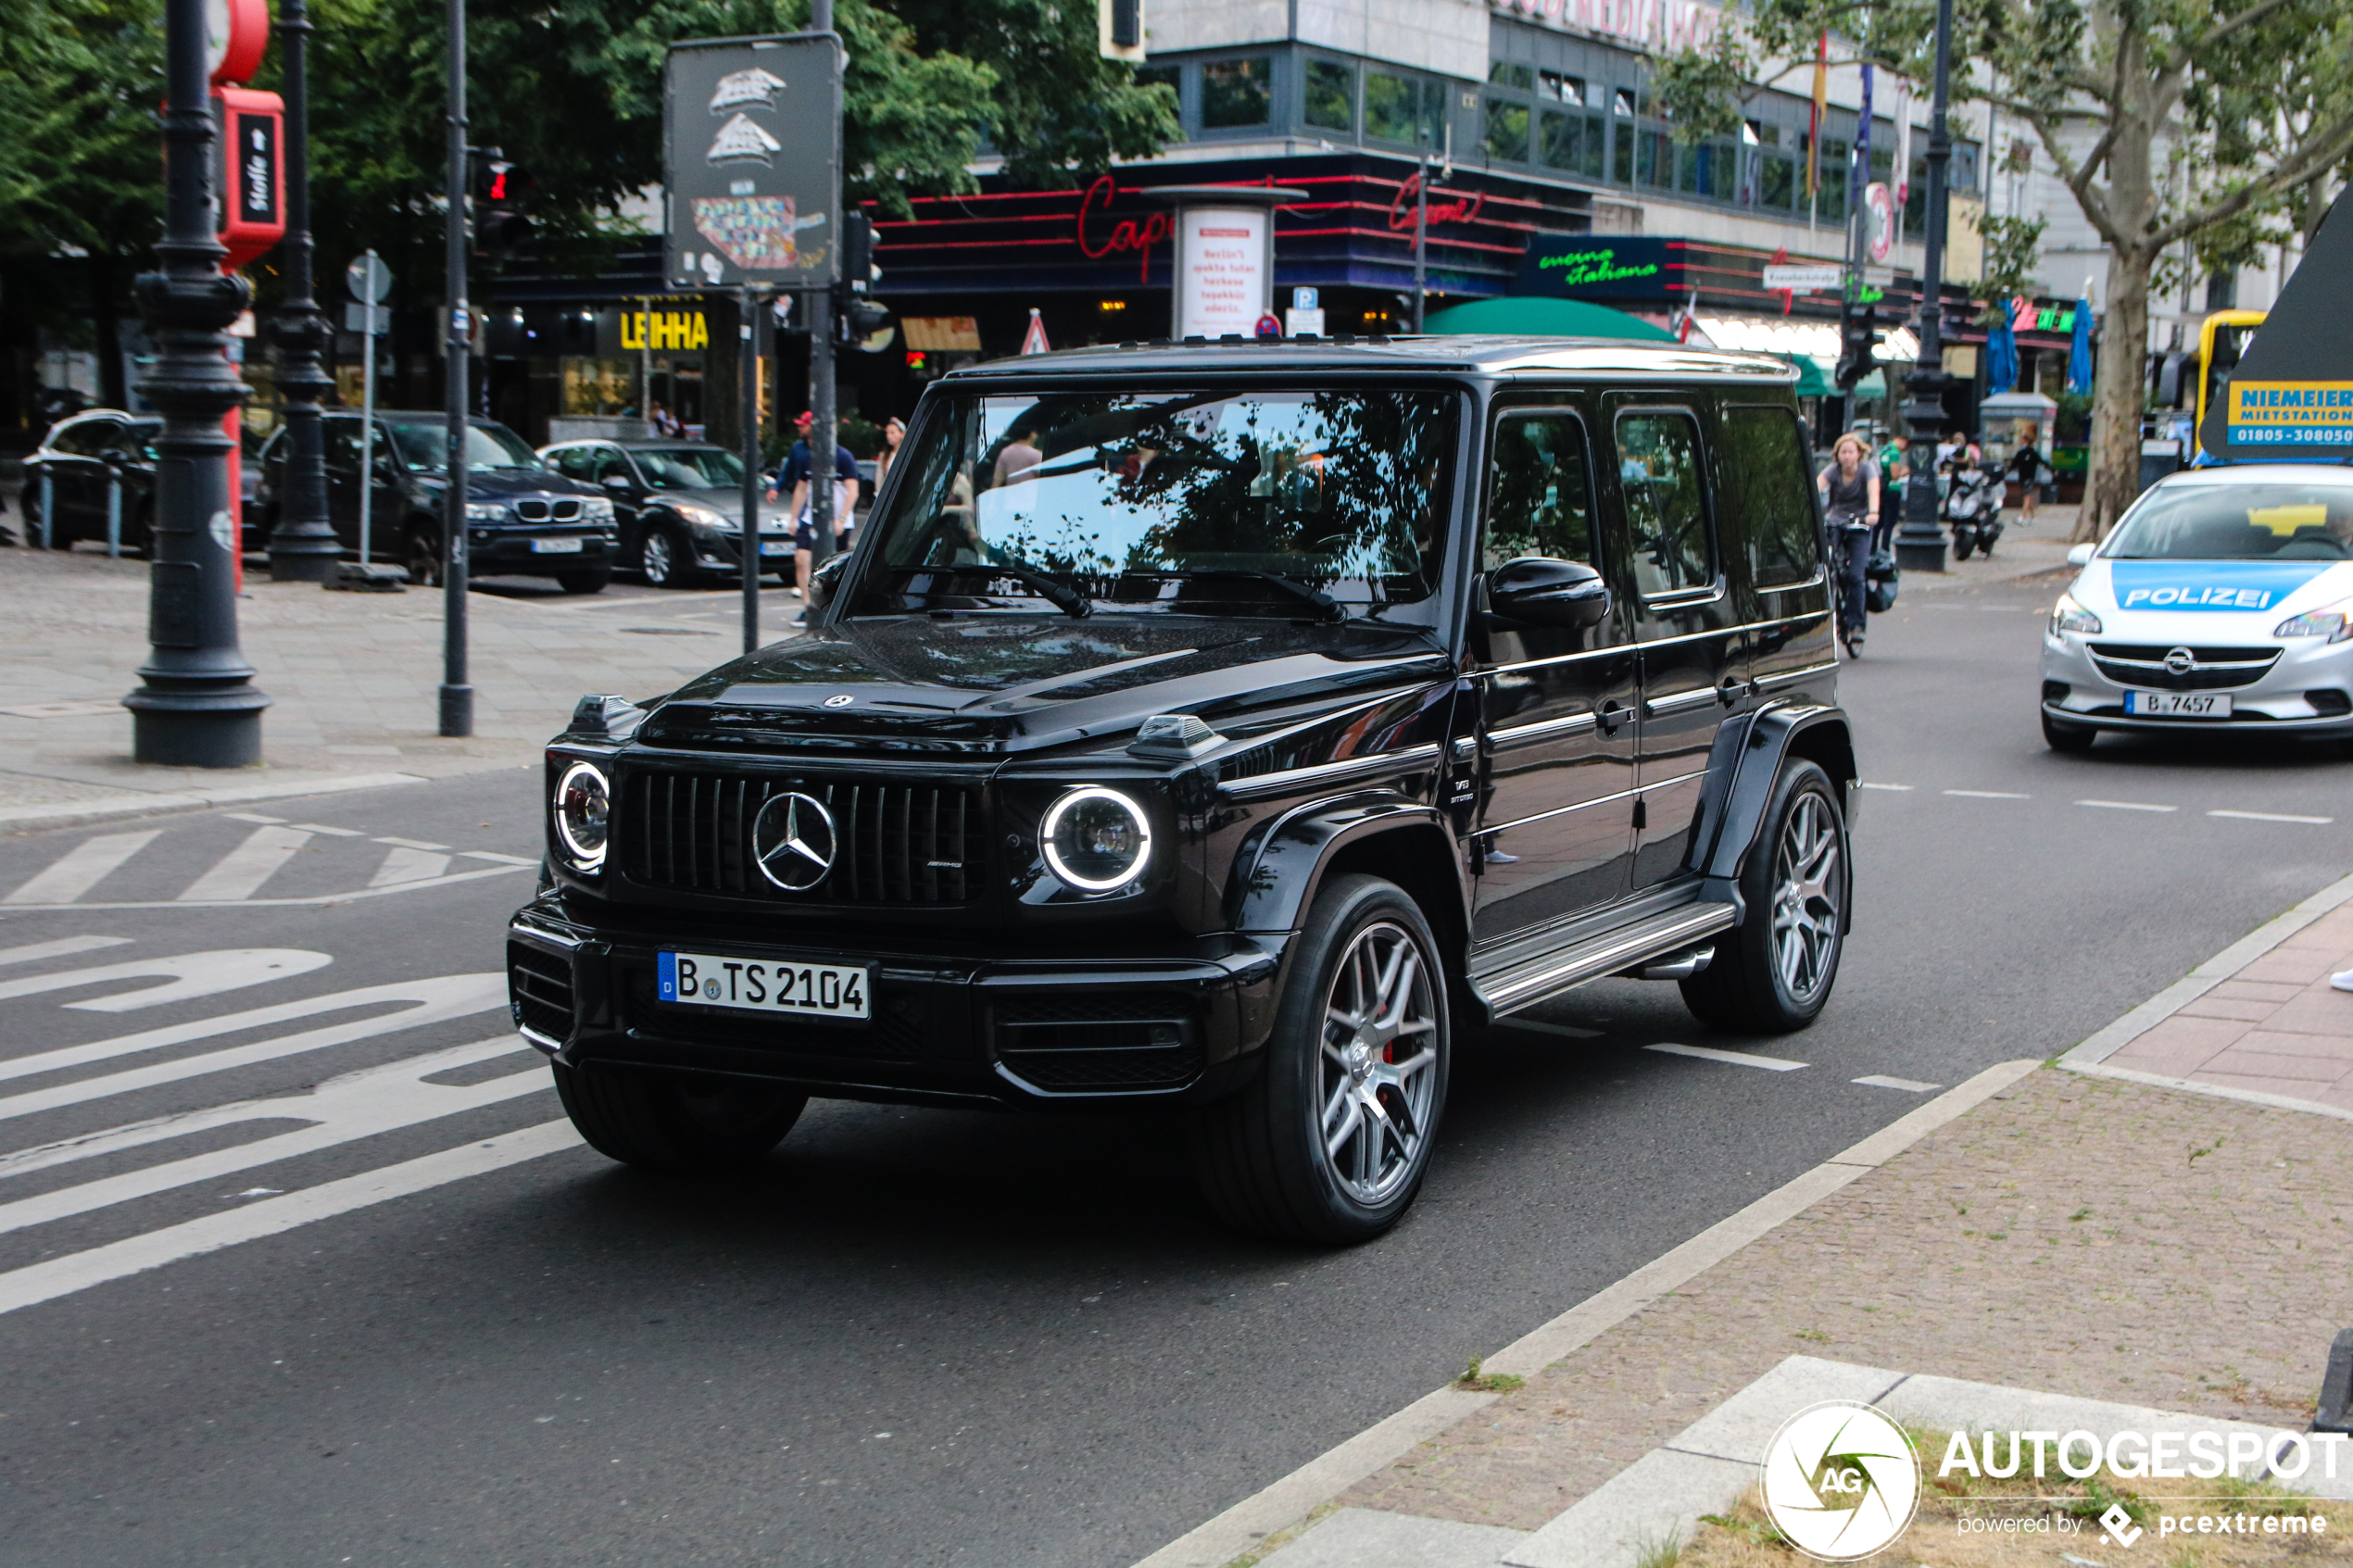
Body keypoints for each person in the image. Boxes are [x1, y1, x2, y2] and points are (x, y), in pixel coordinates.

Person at [768, 410, 860, 626]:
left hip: (838, 520)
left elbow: (852, 491)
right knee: (801, 558)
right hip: (811, 517)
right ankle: (808, 607)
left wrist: (841, 518)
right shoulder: (807, 455)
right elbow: (801, 487)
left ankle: (833, 608)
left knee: (835, 566)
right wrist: (794, 518)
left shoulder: (843, 457)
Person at [1816, 432, 1880, 656]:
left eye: (1851, 452)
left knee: (1855, 575)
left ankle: (1856, 625)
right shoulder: (1833, 470)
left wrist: (1873, 513)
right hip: (1835, 524)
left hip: (1859, 526)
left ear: (1859, 453)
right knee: (1828, 571)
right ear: (1837, 455)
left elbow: (1874, 491)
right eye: (1843, 452)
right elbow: (1817, 487)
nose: (1846, 456)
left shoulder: (1867, 469)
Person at [2009, 440, 2048, 524]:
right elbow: (2042, 462)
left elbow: (2014, 464)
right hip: (2026, 477)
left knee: (2026, 497)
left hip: (2026, 478)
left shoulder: (2029, 453)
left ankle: (2022, 517)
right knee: (2028, 496)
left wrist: (2008, 471)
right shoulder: (2027, 453)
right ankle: (2033, 516)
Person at [875, 416, 906, 494]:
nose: (889, 436)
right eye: (887, 433)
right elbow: (879, 480)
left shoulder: (906, 454)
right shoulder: (884, 456)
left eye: (892, 432)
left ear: (902, 434)